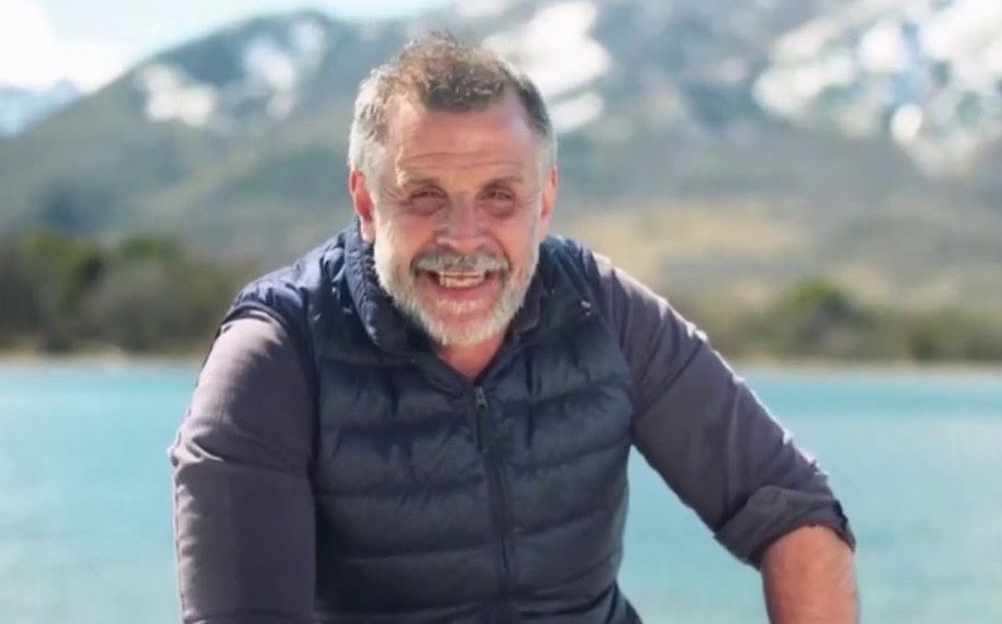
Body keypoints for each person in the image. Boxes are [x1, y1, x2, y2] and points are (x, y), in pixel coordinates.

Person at [169, 32, 857, 624]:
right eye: (425, 196)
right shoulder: (274, 357)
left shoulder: (602, 310)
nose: (464, 238)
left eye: (499, 196)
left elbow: (794, 512)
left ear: (545, 199)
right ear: (367, 202)